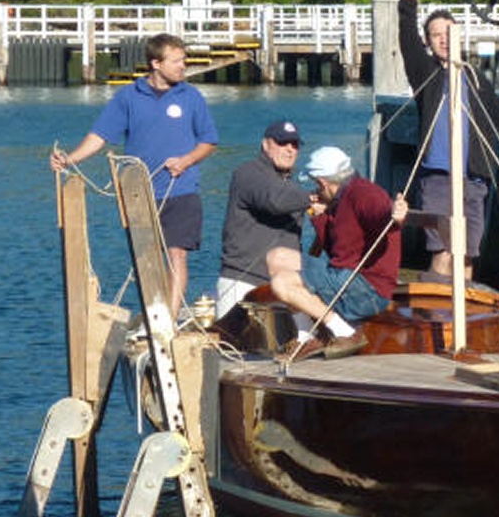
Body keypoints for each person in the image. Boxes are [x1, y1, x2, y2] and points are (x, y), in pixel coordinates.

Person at [50, 33, 218, 317]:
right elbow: (100, 136)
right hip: (138, 193)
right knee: (146, 260)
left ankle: (170, 320)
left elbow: (209, 141)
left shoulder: (191, 96)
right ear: (156, 63)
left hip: (181, 190)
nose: (183, 67)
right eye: (177, 61)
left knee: (177, 255)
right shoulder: (128, 96)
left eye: (184, 61)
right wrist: (69, 159)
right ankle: (154, 314)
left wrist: (186, 161)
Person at [398, 0, 499, 280]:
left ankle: (463, 325)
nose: (443, 39)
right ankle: (437, 321)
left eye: (448, 33)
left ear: (459, 35)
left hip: (474, 180)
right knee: (443, 253)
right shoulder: (425, 74)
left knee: (467, 258)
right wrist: (407, 2)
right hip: (438, 179)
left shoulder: (475, 78)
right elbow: (407, 41)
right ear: (428, 41)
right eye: (436, 35)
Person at [271, 147, 409, 361]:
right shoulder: (340, 198)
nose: (316, 190)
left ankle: (344, 332)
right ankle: (307, 336)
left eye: (317, 184)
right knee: (276, 257)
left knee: (281, 283)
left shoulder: (363, 193)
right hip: (344, 277)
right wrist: (321, 217)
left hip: (368, 289)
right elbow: (338, 252)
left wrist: (396, 215)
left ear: (324, 181)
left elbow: (381, 213)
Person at [216, 119, 314, 319]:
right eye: (282, 143)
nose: (289, 149)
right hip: (245, 284)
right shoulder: (249, 173)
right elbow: (274, 200)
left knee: (304, 343)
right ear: (265, 144)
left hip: (285, 286)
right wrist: (313, 198)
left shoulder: (290, 187)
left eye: (294, 145)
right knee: (238, 350)